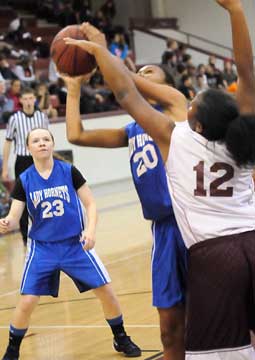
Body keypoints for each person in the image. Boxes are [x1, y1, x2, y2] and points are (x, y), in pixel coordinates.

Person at [64, 0, 255, 358]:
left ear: (194, 118)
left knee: (220, 340)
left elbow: (126, 92)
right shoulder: (237, 136)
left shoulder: (175, 131)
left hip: (209, 247)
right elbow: (246, 72)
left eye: (152, 73)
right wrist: (235, 11)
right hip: (224, 236)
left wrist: (105, 55)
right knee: (191, 331)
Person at [63, 27, 187, 360]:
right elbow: (75, 135)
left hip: (193, 223)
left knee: (216, 317)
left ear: (166, 86)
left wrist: (106, 56)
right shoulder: (131, 130)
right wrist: (73, 88)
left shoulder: (179, 111)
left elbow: (128, 83)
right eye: (140, 71)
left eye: (150, 73)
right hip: (163, 230)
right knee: (169, 329)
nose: (141, 76)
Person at [0, 128, 141, 360]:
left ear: (53, 144)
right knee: (26, 301)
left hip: (75, 244)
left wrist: (90, 231)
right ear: (28, 148)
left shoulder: (68, 171)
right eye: (36, 140)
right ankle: (12, 349)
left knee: (106, 291)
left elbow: (91, 204)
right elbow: (15, 217)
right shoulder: (25, 180)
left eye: (46, 139)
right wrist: (6, 222)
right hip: (42, 248)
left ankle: (121, 336)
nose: (42, 143)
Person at [2, 87, 49, 246]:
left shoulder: (41, 117)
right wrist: (5, 168)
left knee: (42, 195)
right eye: (26, 99)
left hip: (40, 159)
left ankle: (43, 232)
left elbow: (47, 140)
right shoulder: (15, 119)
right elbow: (8, 143)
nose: (29, 101)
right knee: (22, 198)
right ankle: (25, 238)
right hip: (22, 160)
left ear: (35, 99)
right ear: (20, 101)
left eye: (31, 98)